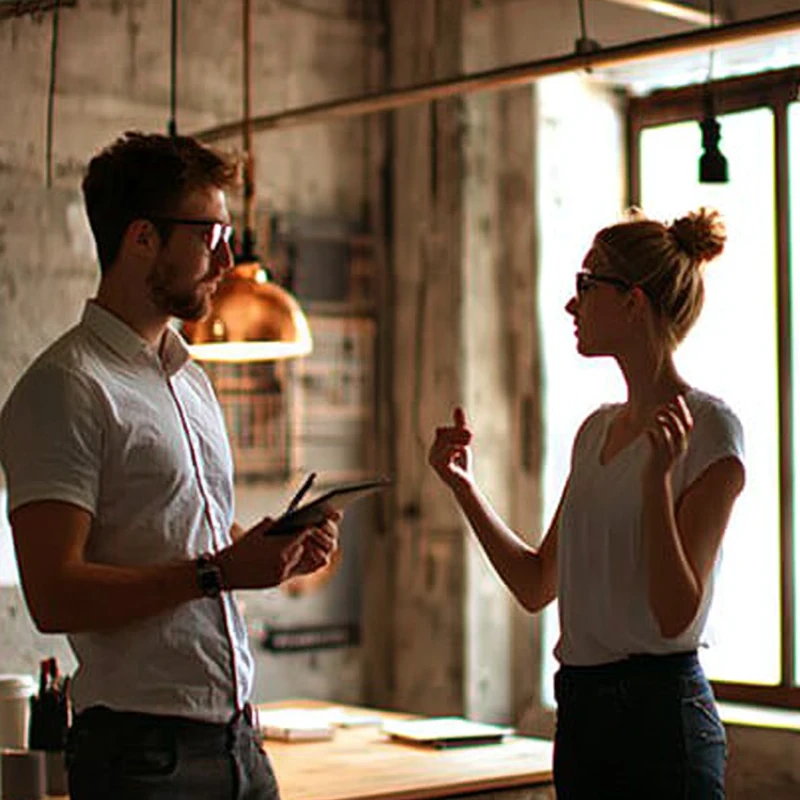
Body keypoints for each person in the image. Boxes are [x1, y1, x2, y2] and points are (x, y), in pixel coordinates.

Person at [0, 131, 339, 800]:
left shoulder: (188, 378)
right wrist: (219, 572)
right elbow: (53, 594)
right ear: (142, 239)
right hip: (142, 757)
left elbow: (179, 536)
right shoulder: (65, 387)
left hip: (240, 738)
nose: (230, 256)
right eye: (211, 234)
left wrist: (267, 551)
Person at [429, 207, 745, 799]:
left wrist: (656, 482)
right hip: (583, 714)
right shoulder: (595, 432)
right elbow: (535, 584)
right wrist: (463, 488)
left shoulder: (710, 430)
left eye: (585, 284)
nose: (572, 305)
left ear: (632, 301)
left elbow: (676, 613)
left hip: (660, 718)